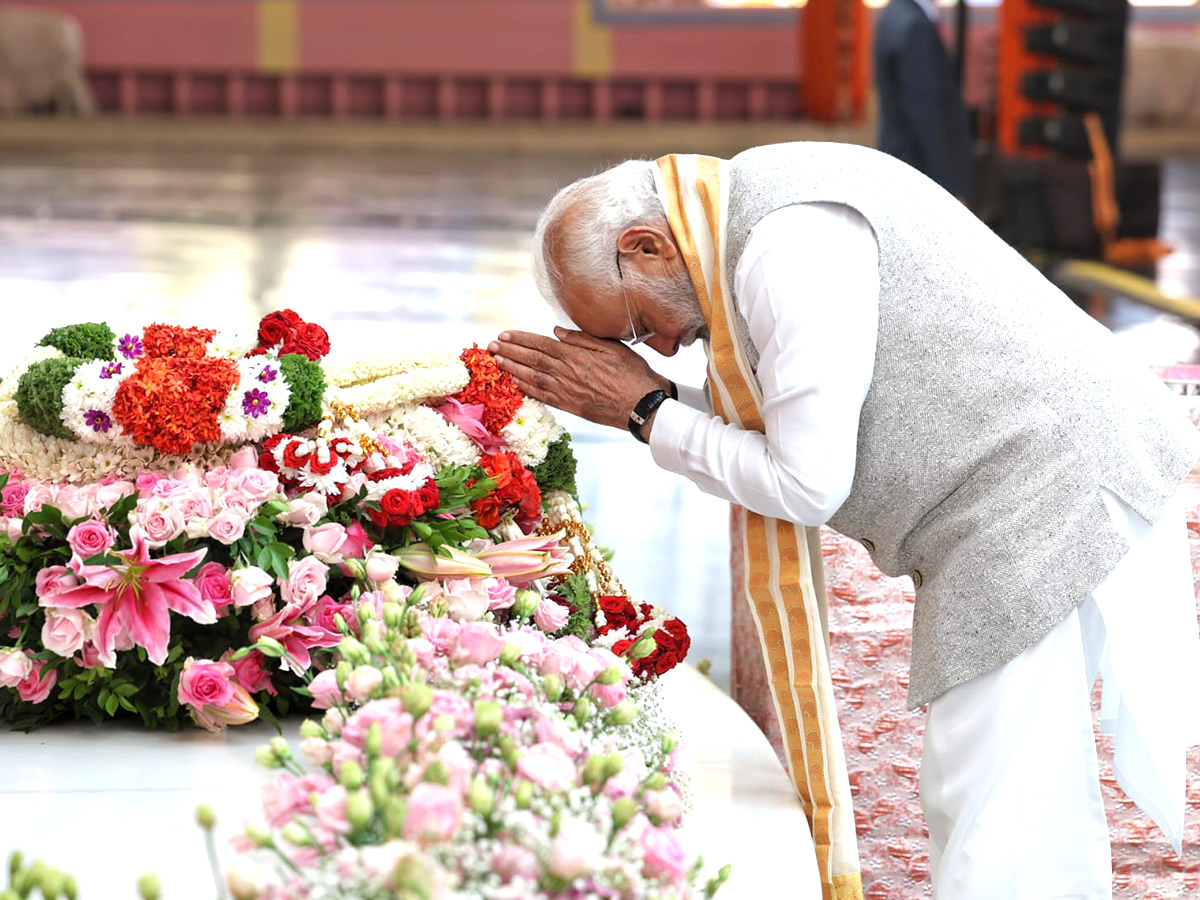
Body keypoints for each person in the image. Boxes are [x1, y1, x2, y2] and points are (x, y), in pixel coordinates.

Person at [489, 142, 1200, 899]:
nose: (661, 347)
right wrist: (649, 411)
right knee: (1004, 792)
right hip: (1022, 485)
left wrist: (645, 409)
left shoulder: (786, 246)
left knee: (999, 800)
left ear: (647, 245)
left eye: (637, 325)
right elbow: (782, 428)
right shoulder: (751, 211)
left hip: (1038, 488)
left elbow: (805, 482)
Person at [873, 0, 974, 201]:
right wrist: (945, 187)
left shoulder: (893, 15)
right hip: (918, 172)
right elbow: (924, 112)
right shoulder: (914, 26)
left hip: (900, 164)